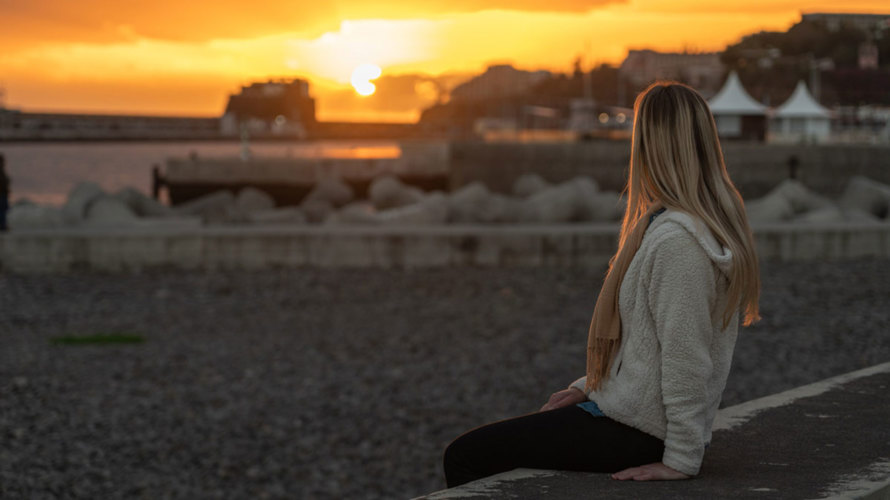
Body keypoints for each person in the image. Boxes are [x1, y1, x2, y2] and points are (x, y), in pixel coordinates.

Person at [443, 81, 761, 486]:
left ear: (649, 144)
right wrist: (586, 386)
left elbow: (687, 356)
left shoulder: (679, 241)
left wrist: (681, 458)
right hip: (630, 412)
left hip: (642, 431)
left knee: (466, 456)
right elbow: (641, 343)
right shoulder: (668, 224)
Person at [0, 153, 9, 232]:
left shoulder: (2, 171)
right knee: (2, 210)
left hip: (3, 194)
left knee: (3, 210)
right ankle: (2, 226)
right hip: (2, 194)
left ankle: (3, 225)